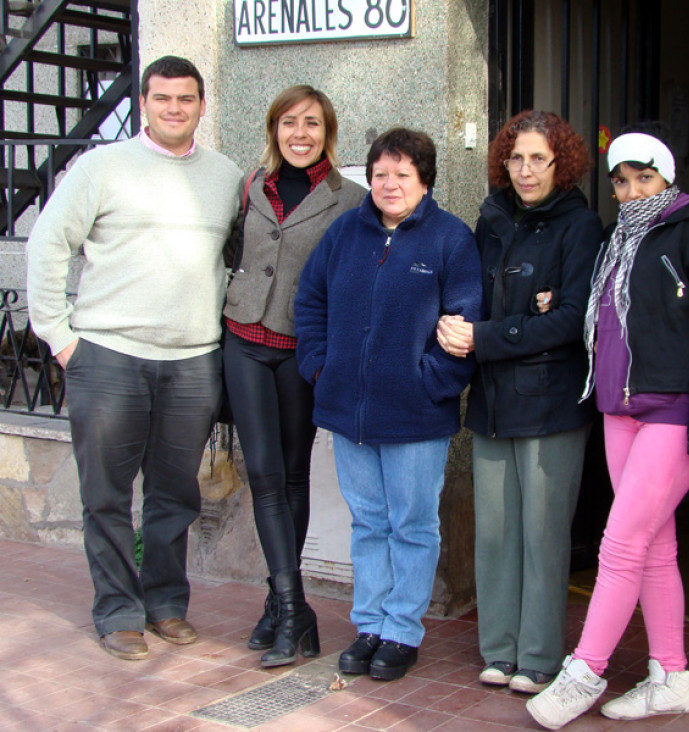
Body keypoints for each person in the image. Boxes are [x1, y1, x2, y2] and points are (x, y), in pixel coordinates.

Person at [26, 56, 243, 660]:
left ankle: (166, 604)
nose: (174, 108)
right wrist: (59, 336)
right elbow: (48, 242)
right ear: (144, 103)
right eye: (162, 98)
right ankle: (118, 610)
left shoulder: (226, 176)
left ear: (202, 105)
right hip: (109, 355)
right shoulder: (102, 167)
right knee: (108, 495)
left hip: (193, 362)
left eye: (186, 98)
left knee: (176, 496)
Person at [527, 128, 689, 729]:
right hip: (619, 407)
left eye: (642, 177)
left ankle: (585, 671)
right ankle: (671, 677)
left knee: (620, 543)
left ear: (666, 178)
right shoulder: (616, 237)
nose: (629, 190)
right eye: (620, 180)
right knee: (654, 546)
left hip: (675, 409)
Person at [293, 128, 482, 681]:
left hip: (417, 416)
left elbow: (465, 321)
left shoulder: (450, 239)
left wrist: (433, 381)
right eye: (380, 174)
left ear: (425, 180)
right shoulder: (344, 232)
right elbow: (310, 300)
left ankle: (402, 630)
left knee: (414, 525)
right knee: (368, 523)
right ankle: (369, 624)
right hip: (348, 411)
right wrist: (320, 367)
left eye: (402, 174)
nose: (389, 184)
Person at [436, 110, 602, 693]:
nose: (526, 170)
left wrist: (487, 336)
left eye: (538, 158)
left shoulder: (580, 226)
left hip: (551, 402)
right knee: (496, 534)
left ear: (562, 163)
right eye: (516, 158)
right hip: (491, 400)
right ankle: (497, 650)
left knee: (543, 534)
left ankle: (537, 656)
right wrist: (496, 322)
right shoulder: (490, 219)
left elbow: (571, 319)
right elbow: (474, 296)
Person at [221, 85, 365, 667]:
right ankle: (293, 605)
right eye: (287, 123)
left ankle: (278, 608)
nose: (298, 134)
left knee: (293, 476)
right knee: (262, 474)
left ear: (327, 131)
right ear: (274, 129)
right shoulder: (251, 185)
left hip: (302, 351)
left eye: (310, 123)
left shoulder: (351, 198)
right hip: (243, 340)